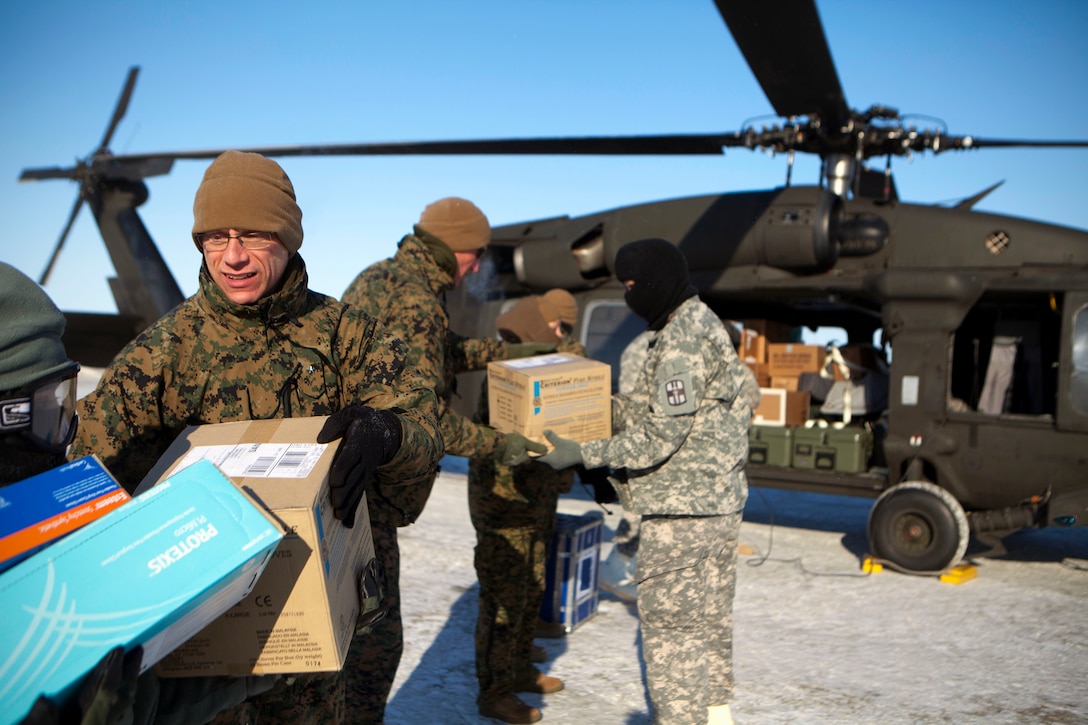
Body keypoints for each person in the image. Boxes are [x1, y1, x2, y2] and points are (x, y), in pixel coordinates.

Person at [68, 150, 444, 725]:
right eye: (215, 237)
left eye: (254, 235)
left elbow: (423, 422)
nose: (233, 256)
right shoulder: (161, 353)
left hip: (316, 651)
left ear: (289, 237)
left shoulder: (346, 334)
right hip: (206, 659)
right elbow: (86, 473)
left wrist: (385, 432)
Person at [339, 197, 553, 722]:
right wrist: (497, 443)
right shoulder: (415, 300)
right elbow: (425, 415)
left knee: (349, 634)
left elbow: (437, 350)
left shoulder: (383, 279)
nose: (476, 265)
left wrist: (507, 354)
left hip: (349, 482)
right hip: (373, 495)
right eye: (473, 254)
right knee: (374, 647)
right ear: (446, 247)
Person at [538, 238, 752, 725]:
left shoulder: (680, 338)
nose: (630, 296)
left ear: (658, 279)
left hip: (684, 512)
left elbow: (661, 435)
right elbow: (649, 407)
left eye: (633, 285)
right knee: (709, 623)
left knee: (673, 636)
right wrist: (598, 407)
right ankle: (718, 716)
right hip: (714, 505)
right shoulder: (689, 324)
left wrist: (583, 453)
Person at [466, 294, 584, 724]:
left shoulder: (542, 364)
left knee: (531, 586)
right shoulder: (510, 374)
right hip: (505, 500)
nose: (562, 336)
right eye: (555, 329)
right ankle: (494, 692)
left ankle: (517, 670)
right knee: (502, 599)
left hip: (535, 496)